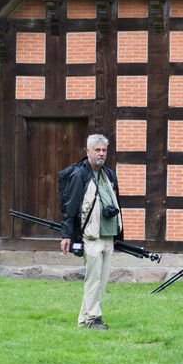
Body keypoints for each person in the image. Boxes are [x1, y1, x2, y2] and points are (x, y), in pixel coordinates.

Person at [61, 134, 123, 330]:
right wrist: (67, 235)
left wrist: (118, 236)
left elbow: (117, 204)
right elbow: (71, 207)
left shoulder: (109, 175)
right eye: (97, 150)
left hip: (108, 235)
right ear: (88, 152)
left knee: (102, 281)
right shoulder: (81, 174)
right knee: (93, 279)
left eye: (104, 150)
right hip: (91, 235)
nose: (101, 153)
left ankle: (84, 320)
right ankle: (92, 320)